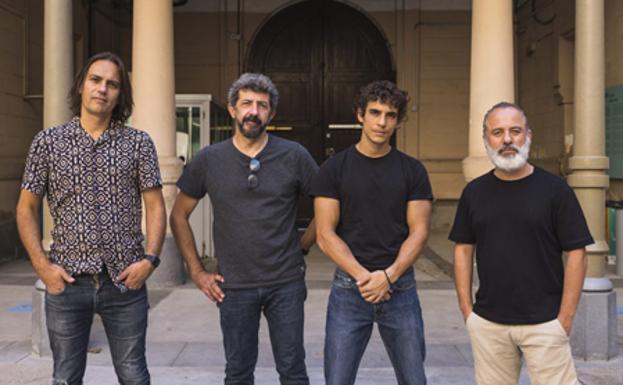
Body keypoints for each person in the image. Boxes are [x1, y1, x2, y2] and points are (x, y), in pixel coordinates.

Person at [16, 51, 166, 385]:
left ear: (120, 95)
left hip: (125, 282)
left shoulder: (139, 143)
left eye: (112, 84)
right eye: (95, 80)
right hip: (67, 283)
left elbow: (156, 206)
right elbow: (25, 208)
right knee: (66, 377)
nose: (103, 89)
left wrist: (151, 260)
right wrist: (42, 267)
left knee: (134, 375)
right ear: (81, 87)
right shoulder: (48, 142)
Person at [169, 73, 318, 385]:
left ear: (271, 114)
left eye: (262, 106)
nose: (254, 111)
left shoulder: (294, 155)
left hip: (286, 283)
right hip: (234, 286)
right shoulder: (210, 158)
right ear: (232, 109)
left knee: (293, 371)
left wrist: (303, 244)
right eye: (247, 103)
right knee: (238, 373)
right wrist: (196, 271)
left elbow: (328, 207)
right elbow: (179, 214)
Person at [449, 102, 593, 385]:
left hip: (546, 323)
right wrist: (468, 311)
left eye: (515, 131)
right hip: (489, 324)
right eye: (497, 132)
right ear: (486, 139)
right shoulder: (474, 193)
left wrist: (564, 318)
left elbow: (577, 253)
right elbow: (463, 250)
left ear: (528, 135)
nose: (506, 140)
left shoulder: (556, 191)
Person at [311, 80, 432, 385]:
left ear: (398, 120)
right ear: (359, 115)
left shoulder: (412, 170)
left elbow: (419, 233)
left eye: (390, 115)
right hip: (350, 289)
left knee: (414, 379)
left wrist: (389, 276)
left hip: (400, 288)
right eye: (375, 112)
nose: (382, 122)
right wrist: (365, 279)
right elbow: (325, 235)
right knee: (337, 380)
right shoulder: (334, 169)